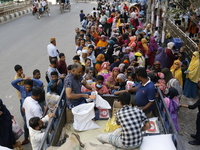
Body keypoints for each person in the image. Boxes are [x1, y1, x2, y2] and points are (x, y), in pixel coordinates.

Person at [11, 77, 43, 145]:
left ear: (32, 87)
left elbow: (41, 83)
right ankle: (26, 138)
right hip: (25, 110)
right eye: (26, 87)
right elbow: (12, 83)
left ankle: (36, 138)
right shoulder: (21, 88)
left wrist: (31, 79)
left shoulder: (34, 90)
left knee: (35, 125)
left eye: (29, 87)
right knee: (26, 126)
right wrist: (22, 79)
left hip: (32, 111)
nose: (27, 89)